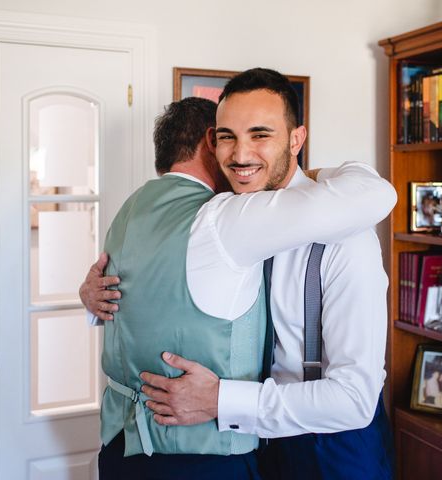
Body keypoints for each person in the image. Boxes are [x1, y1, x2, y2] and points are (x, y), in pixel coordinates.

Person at [82, 70, 397, 479]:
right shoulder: (222, 217)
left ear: (296, 139)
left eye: (260, 135)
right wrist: (95, 295)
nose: (240, 154)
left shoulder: (346, 238)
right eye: (228, 136)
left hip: (328, 448)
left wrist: (221, 401)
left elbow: (354, 400)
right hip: (252, 443)